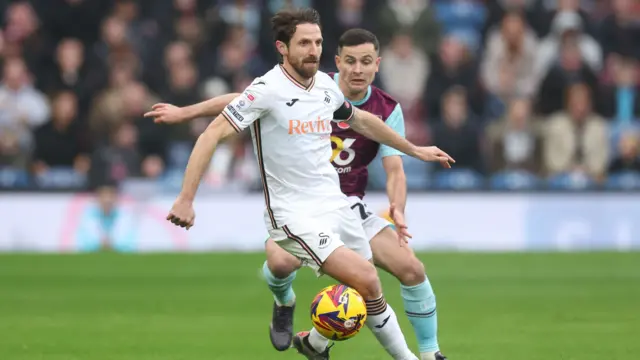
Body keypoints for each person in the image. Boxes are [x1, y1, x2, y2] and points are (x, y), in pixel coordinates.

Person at [146, 9, 453, 360]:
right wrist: (186, 198)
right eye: (304, 43)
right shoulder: (267, 89)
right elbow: (214, 132)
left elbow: (362, 121)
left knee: (361, 290)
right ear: (282, 47)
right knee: (366, 279)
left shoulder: (324, 85)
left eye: (318, 42)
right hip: (293, 214)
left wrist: (413, 149)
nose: (313, 50)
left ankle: (315, 345)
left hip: (335, 204)